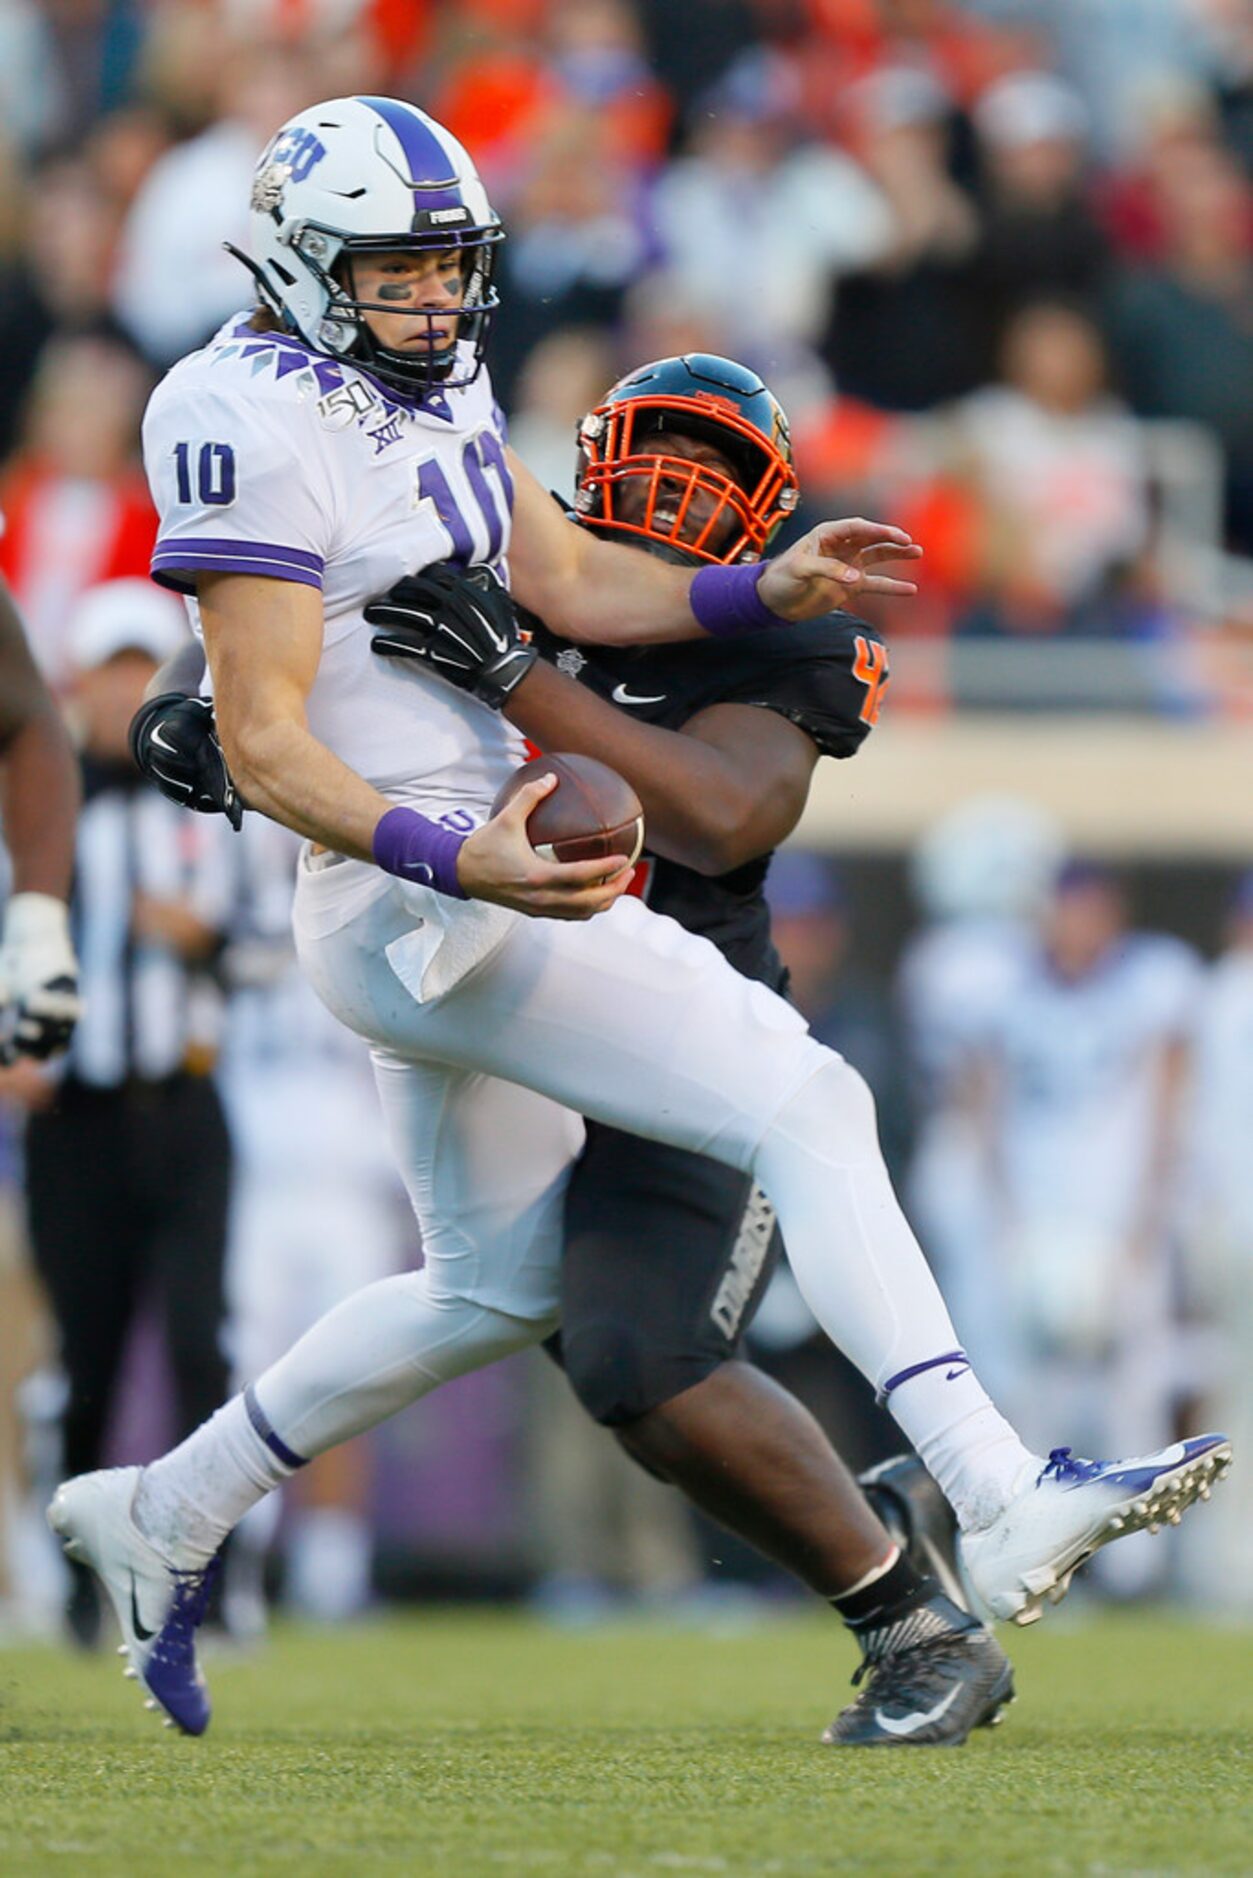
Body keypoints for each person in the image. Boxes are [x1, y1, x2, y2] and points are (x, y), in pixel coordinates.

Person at [47, 95, 1229, 1742]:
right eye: (395, 272)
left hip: (448, 876)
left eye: (448, 270)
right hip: (428, 889)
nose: (434, 303)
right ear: (300, 264)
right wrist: (455, 860)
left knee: (491, 1278)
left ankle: (165, 1503)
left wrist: (766, 589)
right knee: (804, 1098)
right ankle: (994, 1478)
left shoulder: (429, 376)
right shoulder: (231, 408)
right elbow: (259, 734)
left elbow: (581, 583)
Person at [15, 580, 237, 1645]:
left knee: (201, 1346)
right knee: (88, 1357)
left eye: (138, 674)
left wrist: (213, 946)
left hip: (186, 1101)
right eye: (107, 675)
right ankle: (75, 1596)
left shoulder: (219, 795)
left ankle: (217, 1590)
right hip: (77, 1118)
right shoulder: (40, 812)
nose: (122, 697)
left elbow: (285, 945)